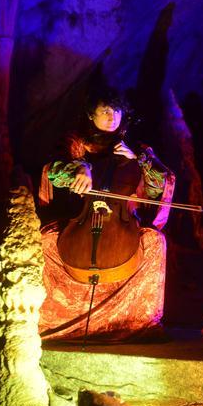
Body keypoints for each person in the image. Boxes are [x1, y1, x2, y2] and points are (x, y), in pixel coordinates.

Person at [36, 87, 174, 342]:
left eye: (118, 110)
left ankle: (137, 322)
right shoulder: (75, 143)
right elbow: (52, 170)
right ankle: (55, 320)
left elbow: (159, 186)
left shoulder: (137, 148)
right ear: (91, 114)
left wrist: (140, 161)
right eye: (105, 110)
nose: (113, 116)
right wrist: (79, 167)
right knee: (45, 242)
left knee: (155, 242)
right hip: (79, 219)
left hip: (120, 225)